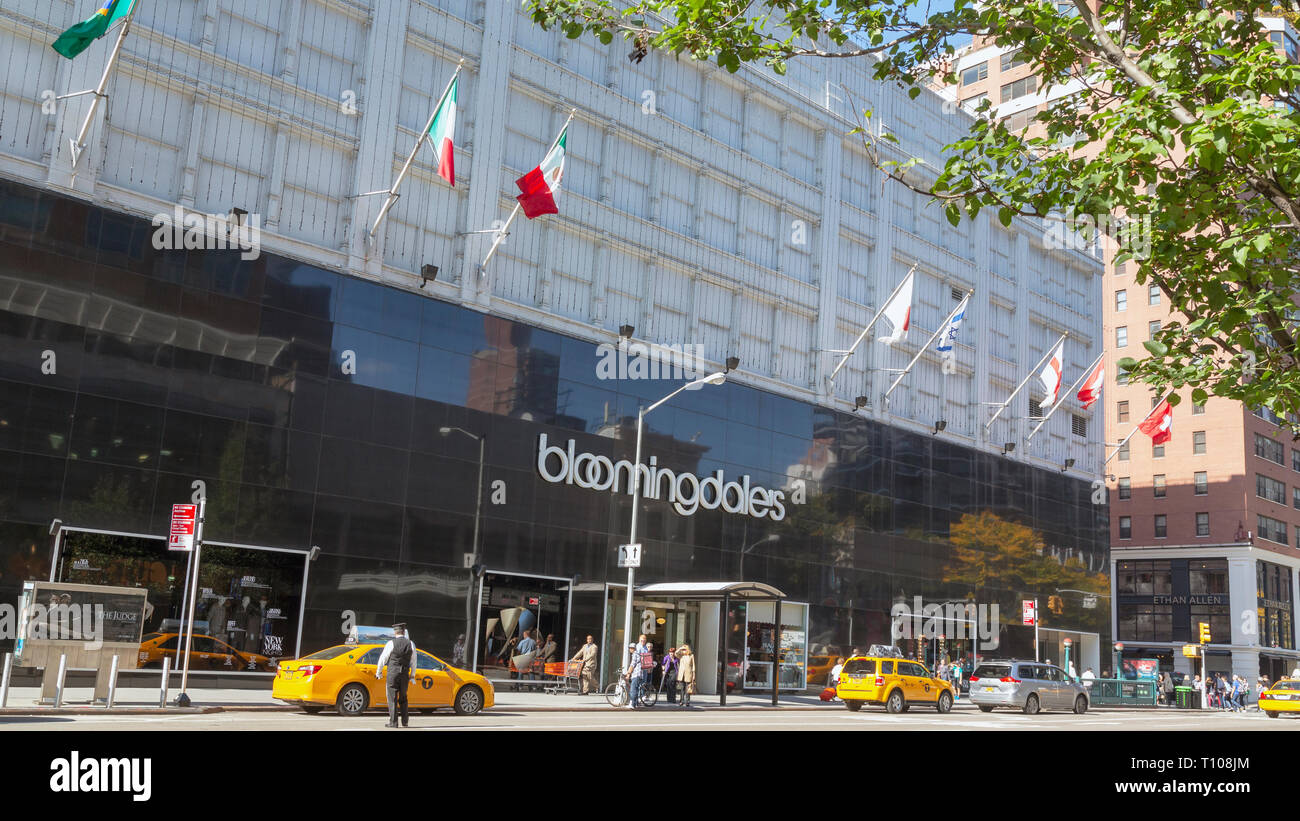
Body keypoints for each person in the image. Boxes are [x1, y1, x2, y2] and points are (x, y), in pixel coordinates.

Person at [375, 624, 417, 728]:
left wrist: (378, 672)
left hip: (393, 673)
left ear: (395, 632)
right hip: (404, 674)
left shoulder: (391, 643)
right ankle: (405, 722)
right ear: (403, 632)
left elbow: (383, 658)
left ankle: (393, 722)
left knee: (392, 697)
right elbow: (414, 661)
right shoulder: (411, 643)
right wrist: (412, 675)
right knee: (403, 697)